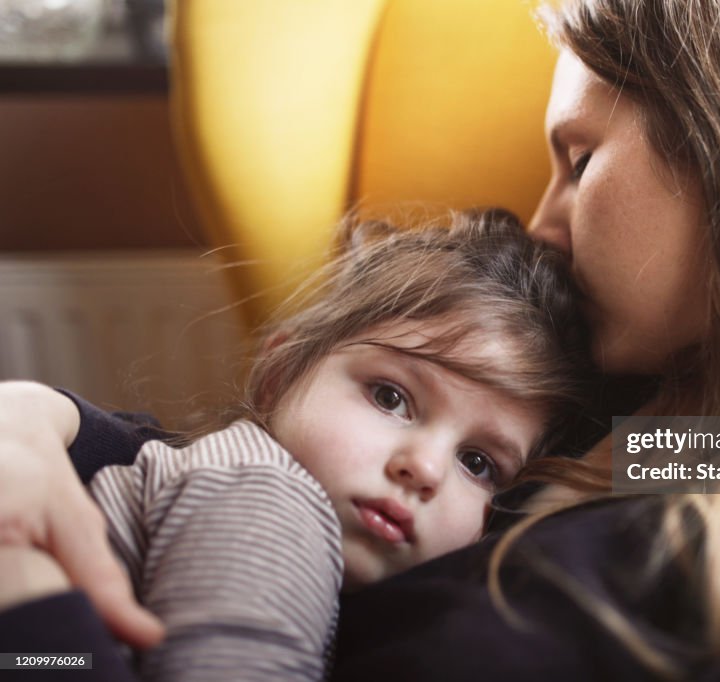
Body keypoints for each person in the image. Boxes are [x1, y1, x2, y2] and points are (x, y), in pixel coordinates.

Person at [2, 0, 720, 680]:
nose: (542, 223)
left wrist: (36, 619)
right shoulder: (672, 438)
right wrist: (35, 417)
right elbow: (245, 460)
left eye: (577, 160)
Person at [0, 210, 597, 681]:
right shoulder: (270, 500)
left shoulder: (678, 455)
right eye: (390, 397)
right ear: (280, 375)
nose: (423, 468)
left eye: (478, 463)